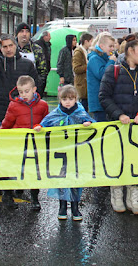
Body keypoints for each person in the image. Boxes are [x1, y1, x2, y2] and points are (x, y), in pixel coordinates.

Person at [99, 37, 138, 215]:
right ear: (130, 51)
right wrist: (119, 114)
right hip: (117, 126)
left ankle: (133, 197)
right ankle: (116, 195)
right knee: (117, 160)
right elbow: (104, 96)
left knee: (137, 162)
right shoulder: (113, 70)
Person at [0, 35, 39, 200]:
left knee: (20, 151)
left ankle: (17, 183)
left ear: (16, 45)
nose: (8, 49)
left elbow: (37, 84)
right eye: (4, 47)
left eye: (11, 45)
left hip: (20, 113)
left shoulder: (26, 64)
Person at [36, 85, 93, 221]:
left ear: (76, 99)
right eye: (64, 99)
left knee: (75, 180)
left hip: (75, 153)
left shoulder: (80, 112)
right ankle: (62, 206)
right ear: (60, 99)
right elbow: (46, 122)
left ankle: (75, 207)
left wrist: (88, 123)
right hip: (60, 153)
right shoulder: (57, 113)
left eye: (71, 99)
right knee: (61, 179)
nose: (68, 102)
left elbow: (91, 123)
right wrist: (40, 127)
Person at [0, 75, 48, 209]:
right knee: (12, 169)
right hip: (17, 144)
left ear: (34, 89)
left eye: (27, 91)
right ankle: (7, 194)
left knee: (34, 171)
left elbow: (46, 123)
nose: (24, 95)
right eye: (21, 92)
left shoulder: (42, 105)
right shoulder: (14, 106)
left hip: (34, 145)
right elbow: (7, 123)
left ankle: (34, 197)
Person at [87, 32, 118, 123]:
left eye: (113, 46)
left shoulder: (103, 58)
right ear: (102, 46)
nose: (112, 49)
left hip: (105, 100)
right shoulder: (94, 58)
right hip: (98, 102)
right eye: (110, 46)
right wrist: (111, 62)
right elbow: (102, 75)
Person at [15, 23, 48, 97]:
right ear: (17, 34)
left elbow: (43, 71)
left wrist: (39, 88)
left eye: (27, 31)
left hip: (32, 91)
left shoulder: (37, 49)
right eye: (21, 31)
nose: (24, 34)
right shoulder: (11, 48)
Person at [73, 32, 93, 111]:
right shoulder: (78, 52)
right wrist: (89, 65)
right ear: (86, 41)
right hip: (82, 84)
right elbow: (76, 69)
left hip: (86, 84)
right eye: (91, 41)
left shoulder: (87, 51)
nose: (92, 43)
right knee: (83, 107)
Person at [37, 31, 52, 96]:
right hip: (39, 71)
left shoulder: (48, 45)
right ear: (45, 36)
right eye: (49, 36)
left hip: (46, 70)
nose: (50, 38)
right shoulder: (38, 45)